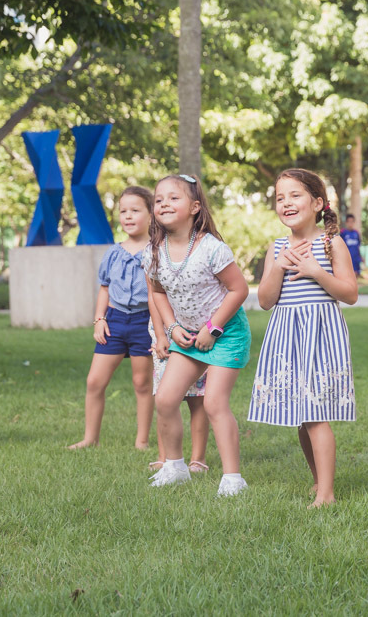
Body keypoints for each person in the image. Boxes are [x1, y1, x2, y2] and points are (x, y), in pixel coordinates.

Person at [250, 170, 359, 507]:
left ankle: (326, 494)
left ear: (317, 203)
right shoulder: (277, 248)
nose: (286, 203)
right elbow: (266, 301)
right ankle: (317, 481)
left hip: (320, 335)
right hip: (287, 335)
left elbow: (350, 293)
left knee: (315, 413)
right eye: (280, 198)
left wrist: (317, 271)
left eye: (295, 195)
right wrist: (279, 266)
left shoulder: (331, 243)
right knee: (300, 412)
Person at [144, 174, 252, 496]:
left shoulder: (211, 248)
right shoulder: (154, 251)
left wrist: (213, 328)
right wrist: (171, 327)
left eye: (173, 198)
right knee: (164, 399)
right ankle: (175, 467)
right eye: (159, 198)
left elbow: (239, 289)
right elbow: (157, 291)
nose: (164, 203)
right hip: (188, 337)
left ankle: (233, 479)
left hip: (225, 334)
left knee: (214, 403)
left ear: (194, 207)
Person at [68, 187, 156, 451]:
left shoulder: (157, 251)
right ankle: (90, 438)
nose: (128, 216)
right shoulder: (113, 252)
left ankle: (141, 440)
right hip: (115, 321)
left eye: (135, 210)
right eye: (123, 211)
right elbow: (104, 288)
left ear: (151, 215)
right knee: (94, 381)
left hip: (145, 323)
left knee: (142, 382)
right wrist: (99, 319)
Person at [148, 305, 210, 472]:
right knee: (163, 397)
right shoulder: (153, 277)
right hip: (164, 331)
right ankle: (165, 457)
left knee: (198, 396)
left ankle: (198, 459)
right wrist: (161, 336)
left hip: (197, 325)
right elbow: (154, 297)